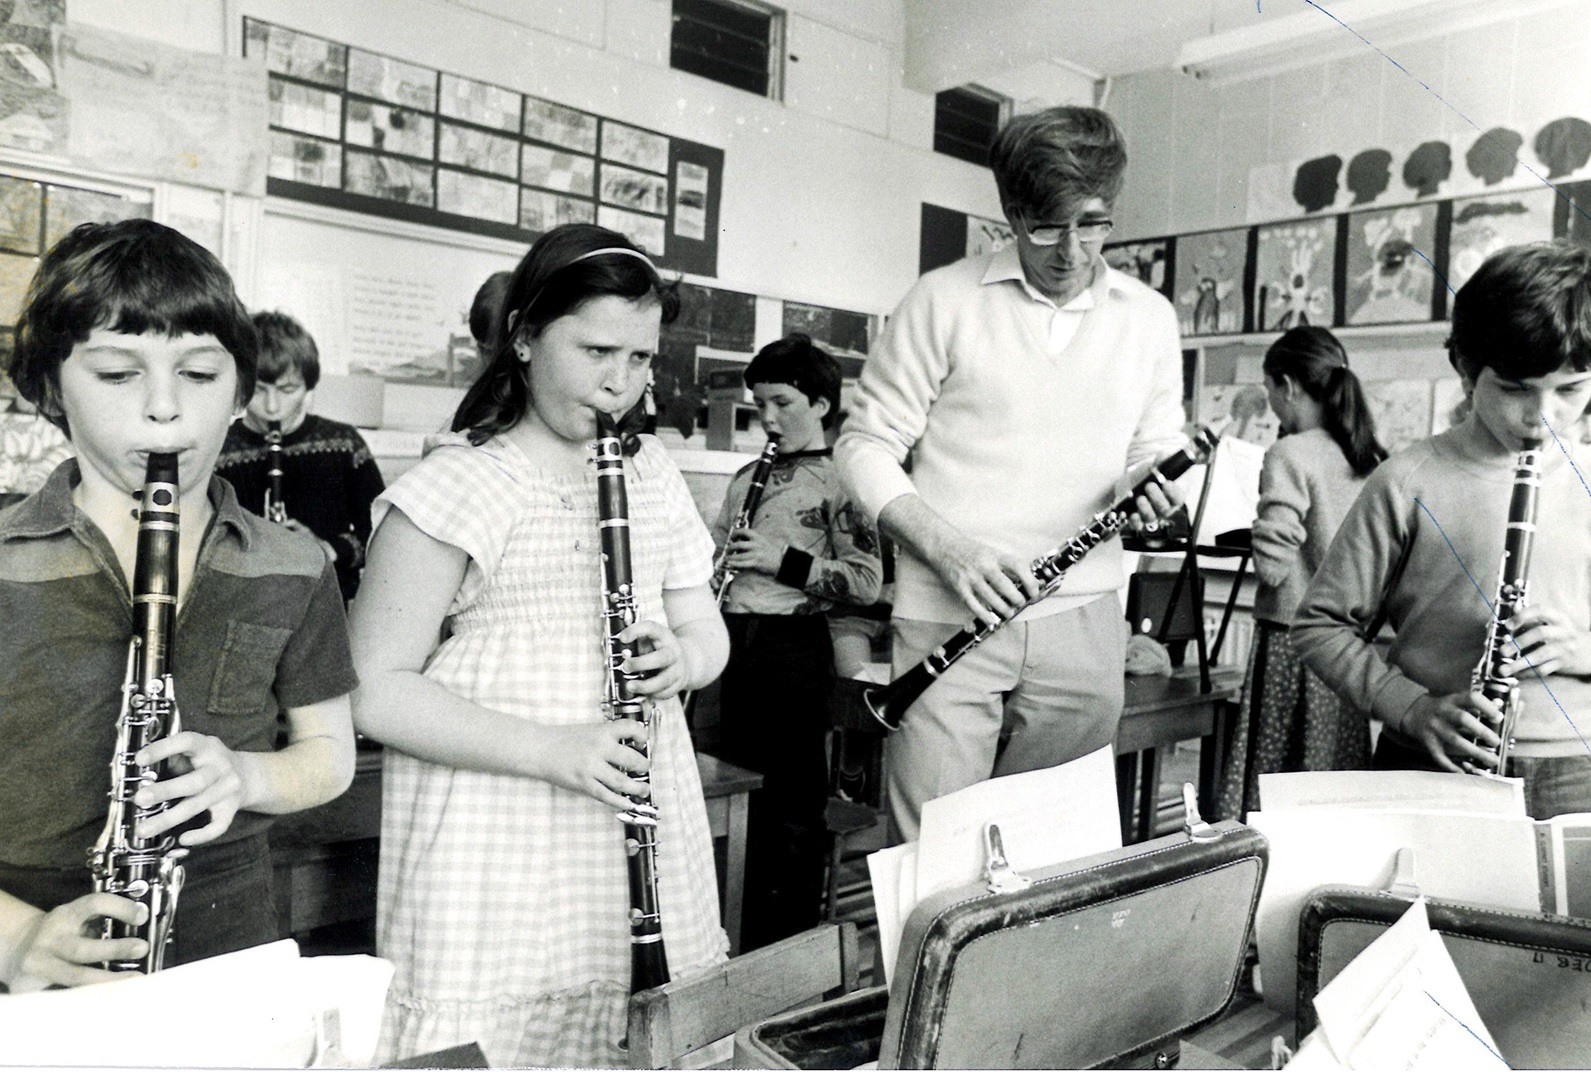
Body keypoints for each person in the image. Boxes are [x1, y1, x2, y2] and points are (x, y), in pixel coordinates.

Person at [348, 223, 730, 1067]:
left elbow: (704, 626)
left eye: (640, 359)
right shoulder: (457, 483)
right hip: (494, 820)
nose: (620, 384)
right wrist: (552, 749)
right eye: (596, 351)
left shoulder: (651, 474)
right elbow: (373, 687)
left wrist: (686, 658)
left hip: (632, 802)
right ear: (522, 336)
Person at [0, 219, 357, 988]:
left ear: (239, 392)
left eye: (198, 375)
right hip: (24, 943)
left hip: (228, 940)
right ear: (45, 388)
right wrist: (18, 937)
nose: (165, 409)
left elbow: (329, 757)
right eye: (117, 374)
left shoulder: (293, 564)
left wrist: (246, 778)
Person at [836, 105, 1187, 843]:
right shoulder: (942, 299)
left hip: (1084, 617)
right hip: (946, 609)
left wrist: (1152, 487)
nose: (1071, 251)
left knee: (1054, 851)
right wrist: (949, 550)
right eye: (1046, 226)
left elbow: (1153, 449)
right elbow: (863, 444)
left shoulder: (1148, 317)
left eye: (1092, 224)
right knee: (935, 854)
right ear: (1009, 213)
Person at [1293, 240, 1591, 820]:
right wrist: (1410, 708)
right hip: (1430, 756)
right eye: (1514, 389)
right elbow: (1319, 625)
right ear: (1464, 368)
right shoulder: (1406, 479)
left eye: (1571, 390)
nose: (1542, 416)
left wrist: (1583, 648)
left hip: (1578, 768)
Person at [709, 333, 881, 950]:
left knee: (791, 806)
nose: (769, 418)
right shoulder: (745, 477)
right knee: (739, 794)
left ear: (821, 404)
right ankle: (739, 933)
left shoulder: (843, 479)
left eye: (782, 402)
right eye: (760, 406)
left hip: (793, 647)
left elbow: (865, 582)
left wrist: (783, 561)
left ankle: (789, 949)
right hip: (734, 641)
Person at [1217, 327, 1387, 819]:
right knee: (1332, 772)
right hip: (1349, 644)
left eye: (1269, 391)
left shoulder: (1290, 453)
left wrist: (1257, 535)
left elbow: (1272, 568)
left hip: (1291, 640)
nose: (1271, 403)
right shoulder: (1366, 453)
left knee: (1274, 779)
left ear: (1288, 386)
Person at [213, 311, 385, 602]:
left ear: (308, 385)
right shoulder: (217, 448)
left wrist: (328, 549)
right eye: (259, 390)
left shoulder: (345, 443)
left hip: (329, 605)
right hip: (246, 603)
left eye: (287, 390)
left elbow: (382, 534)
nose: (272, 407)